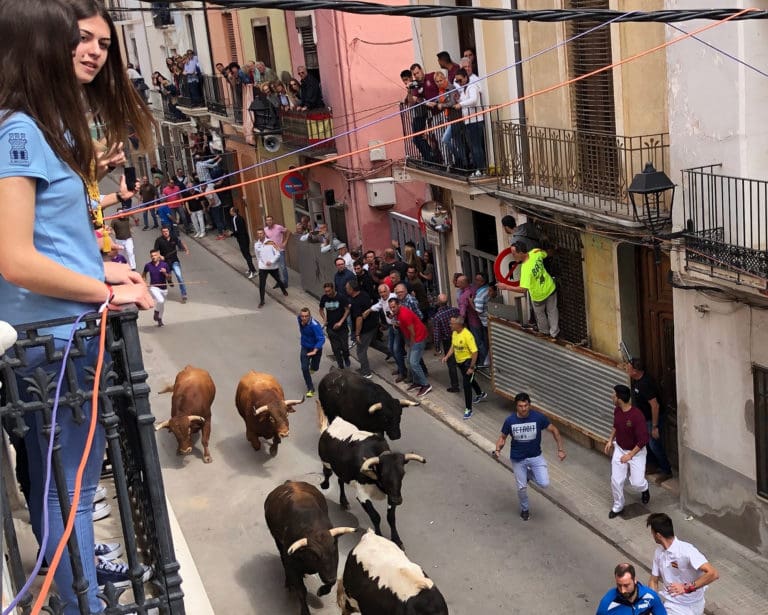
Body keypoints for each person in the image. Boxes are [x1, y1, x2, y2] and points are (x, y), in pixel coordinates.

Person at [0, 1, 156, 611]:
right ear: (40, 47)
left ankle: (78, 589)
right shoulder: (19, 130)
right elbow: (14, 257)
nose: (92, 52)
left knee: (68, 490)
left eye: (102, 43)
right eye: (76, 39)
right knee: (70, 496)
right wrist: (106, 290)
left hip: (59, 338)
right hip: (55, 346)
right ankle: (82, 602)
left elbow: (46, 237)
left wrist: (99, 268)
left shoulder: (37, 126)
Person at [492, 392, 566, 521]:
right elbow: (502, 438)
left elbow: (554, 430)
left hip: (535, 457)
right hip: (518, 459)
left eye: (526, 405)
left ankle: (527, 475)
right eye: (520, 406)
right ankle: (525, 509)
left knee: (544, 483)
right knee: (522, 488)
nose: (523, 409)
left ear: (529, 405)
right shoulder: (510, 420)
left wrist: (560, 449)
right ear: (516, 406)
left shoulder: (538, 418)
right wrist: (498, 449)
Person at [647, 513, 719, 615]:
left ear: (658, 535)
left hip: (695, 605)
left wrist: (686, 588)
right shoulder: (658, 553)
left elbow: (713, 574)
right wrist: (653, 603)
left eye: (652, 533)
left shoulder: (687, 551)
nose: (652, 536)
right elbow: (653, 581)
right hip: (673, 605)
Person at [605, 384, 650, 519]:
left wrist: (629, 455)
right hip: (620, 448)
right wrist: (610, 440)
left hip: (636, 452)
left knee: (637, 483)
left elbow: (643, 440)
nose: (611, 396)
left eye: (613, 394)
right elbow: (616, 426)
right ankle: (618, 505)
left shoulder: (637, 416)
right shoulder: (617, 410)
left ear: (619, 398)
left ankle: (644, 488)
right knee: (616, 480)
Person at [627, 358, 673, 481]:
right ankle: (653, 465)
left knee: (654, 445)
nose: (627, 369)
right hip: (643, 419)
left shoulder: (645, 384)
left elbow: (655, 405)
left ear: (635, 371)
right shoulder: (637, 380)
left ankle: (666, 470)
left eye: (629, 368)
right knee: (646, 443)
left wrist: (654, 426)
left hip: (652, 420)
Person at [503, 242, 560, 338]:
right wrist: (556, 250)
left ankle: (544, 332)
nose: (513, 256)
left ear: (521, 252)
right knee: (552, 311)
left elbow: (523, 289)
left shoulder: (525, 269)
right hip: (550, 288)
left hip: (538, 296)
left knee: (540, 314)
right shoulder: (535, 252)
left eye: (514, 254)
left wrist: (506, 287)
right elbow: (547, 253)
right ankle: (554, 333)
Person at [442, 316, 485, 419]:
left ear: (458, 325)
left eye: (452, 323)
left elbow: (475, 352)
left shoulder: (467, 335)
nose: (450, 325)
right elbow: (453, 346)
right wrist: (447, 356)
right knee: (470, 379)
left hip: (468, 363)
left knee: (466, 385)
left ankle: (468, 410)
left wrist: (471, 367)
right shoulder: (455, 333)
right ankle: (480, 393)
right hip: (460, 362)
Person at [389, 297, 432, 397]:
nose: (392, 309)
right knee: (409, 361)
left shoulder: (404, 315)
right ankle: (417, 382)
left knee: (414, 363)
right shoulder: (399, 313)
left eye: (394, 307)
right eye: (391, 307)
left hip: (418, 337)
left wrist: (411, 344)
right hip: (414, 337)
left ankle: (425, 385)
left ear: (399, 305)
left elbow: (412, 332)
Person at [596, 563, 667, 615]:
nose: (623, 590)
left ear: (634, 580)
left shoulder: (650, 596)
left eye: (626, 585)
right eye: (619, 585)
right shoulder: (607, 604)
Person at [347, 279, 377, 379]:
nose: (346, 289)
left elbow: (359, 319)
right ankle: (390, 352)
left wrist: (357, 334)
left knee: (360, 351)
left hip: (365, 329)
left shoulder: (356, 302)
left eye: (347, 288)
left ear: (352, 289)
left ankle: (366, 372)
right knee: (373, 343)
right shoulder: (363, 294)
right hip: (373, 325)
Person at [319, 282, 351, 369]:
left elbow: (347, 310)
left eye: (329, 291)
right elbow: (321, 309)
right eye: (326, 291)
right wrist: (324, 318)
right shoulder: (324, 298)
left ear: (333, 289)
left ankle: (346, 357)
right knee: (336, 349)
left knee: (344, 347)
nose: (327, 293)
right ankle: (341, 367)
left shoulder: (341, 297)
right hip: (331, 328)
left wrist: (341, 322)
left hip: (342, 328)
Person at [432, 294, 460, 392]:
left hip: (448, 341)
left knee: (451, 363)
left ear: (438, 303)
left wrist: (437, 347)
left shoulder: (437, 317)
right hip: (459, 337)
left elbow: (437, 333)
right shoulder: (455, 310)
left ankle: (455, 385)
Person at [154, 226, 189, 303]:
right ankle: (169, 280)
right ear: (161, 232)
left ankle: (184, 294)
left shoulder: (174, 237)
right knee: (168, 276)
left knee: (179, 276)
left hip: (174, 261)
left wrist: (186, 249)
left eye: (166, 231)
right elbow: (155, 251)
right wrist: (160, 256)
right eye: (163, 231)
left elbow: (180, 243)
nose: (165, 233)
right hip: (165, 262)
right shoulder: (159, 240)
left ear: (169, 231)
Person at [254, 229, 287, 307]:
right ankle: (262, 301)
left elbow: (278, 254)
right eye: (258, 233)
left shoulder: (271, 243)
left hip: (273, 267)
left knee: (278, 280)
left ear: (264, 234)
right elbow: (257, 255)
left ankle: (284, 290)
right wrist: (260, 264)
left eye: (261, 233)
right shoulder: (256, 244)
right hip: (262, 268)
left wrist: (271, 261)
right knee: (262, 284)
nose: (260, 235)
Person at [298, 307, 325, 397]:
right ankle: (310, 388)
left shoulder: (315, 325)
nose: (304, 318)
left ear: (310, 316)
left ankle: (313, 368)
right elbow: (300, 320)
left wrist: (315, 350)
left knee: (315, 367)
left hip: (315, 349)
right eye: (302, 316)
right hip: (305, 347)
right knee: (304, 368)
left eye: (306, 316)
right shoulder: (299, 319)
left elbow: (321, 339)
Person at [142, 249, 171, 327]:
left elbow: (169, 278)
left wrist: (165, 273)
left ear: (158, 256)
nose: (153, 257)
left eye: (155, 255)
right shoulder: (148, 265)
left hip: (164, 288)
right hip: (154, 287)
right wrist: (144, 282)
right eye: (152, 256)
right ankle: (156, 312)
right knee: (160, 300)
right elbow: (144, 274)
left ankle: (160, 319)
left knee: (161, 305)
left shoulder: (165, 265)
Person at [264, 215, 290, 287]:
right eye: (267, 220)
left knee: (283, 267)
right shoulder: (265, 229)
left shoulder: (278, 227)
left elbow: (288, 232)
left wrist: (285, 242)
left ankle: (285, 282)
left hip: (280, 250)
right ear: (266, 222)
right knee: (275, 268)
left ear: (273, 221)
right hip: (271, 252)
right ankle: (279, 281)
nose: (269, 221)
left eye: (270, 220)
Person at [230, 206, 256, 278]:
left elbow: (240, 230)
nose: (230, 212)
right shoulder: (234, 218)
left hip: (243, 239)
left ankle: (253, 271)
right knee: (244, 254)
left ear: (234, 212)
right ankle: (251, 268)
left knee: (247, 255)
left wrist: (232, 234)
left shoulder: (239, 219)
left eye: (231, 211)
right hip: (240, 238)